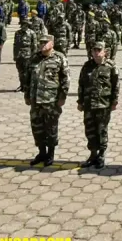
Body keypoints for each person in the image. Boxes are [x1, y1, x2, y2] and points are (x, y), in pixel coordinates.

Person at [25, 35, 70, 167]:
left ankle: (50, 154)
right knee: (37, 128)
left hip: (51, 100)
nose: (43, 44)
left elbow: (65, 79)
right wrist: (27, 94)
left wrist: (62, 97)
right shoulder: (34, 58)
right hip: (35, 101)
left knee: (50, 128)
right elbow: (27, 77)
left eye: (46, 42)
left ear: (52, 43)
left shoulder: (59, 58)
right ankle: (41, 153)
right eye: (41, 42)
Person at [77, 42, 120, 169]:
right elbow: (81, 84)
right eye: (94, 50)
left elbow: (115, 85)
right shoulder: (87, 66)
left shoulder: (111, 66)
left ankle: (101, 155)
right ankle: (93, 154)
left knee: (101, 130)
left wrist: (114, 102)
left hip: (103, 104)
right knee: (90, 130)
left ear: (104, 52)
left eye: (99, 50)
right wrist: (80, 101)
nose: (96, 53)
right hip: (89, 104)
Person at [13, 19, 38, 92]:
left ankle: (27, 86)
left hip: (28, 55)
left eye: (26, 25)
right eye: (23, 24)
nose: (24, 26)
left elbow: (34, 46)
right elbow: (15, 45)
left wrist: (34, 56)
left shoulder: (32, 33)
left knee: (27, 72)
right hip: (19, 55)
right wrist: (15, 55)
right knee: (20, 72)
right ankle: (21, 85)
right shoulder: (17, 33)